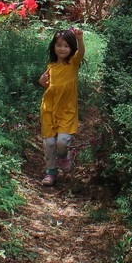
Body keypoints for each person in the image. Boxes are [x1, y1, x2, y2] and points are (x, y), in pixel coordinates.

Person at [38, 27, 84, 186]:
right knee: (49, 143)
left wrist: (80, 39)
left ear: (71, 48)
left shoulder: (72, 64)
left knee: (62, 142)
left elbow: (81, 53)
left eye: (66, 46)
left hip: (67, 109)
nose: (62, 48)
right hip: (49, 108)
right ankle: (51, 172)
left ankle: (63, 156)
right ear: (53, 47)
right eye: (59, 45)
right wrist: (42, 82)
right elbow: (48, 85)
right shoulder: (51, 66)